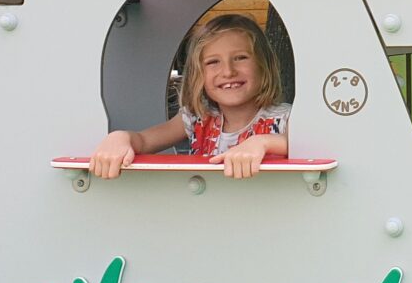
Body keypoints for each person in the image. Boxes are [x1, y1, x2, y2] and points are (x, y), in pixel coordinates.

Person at [89, 14, 290, 179]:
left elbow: (304, 144)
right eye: (213, 62)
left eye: (240, 58)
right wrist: (120, 138)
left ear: (264, 67)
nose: (228, 71)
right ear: (198, 75)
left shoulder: (285, 118)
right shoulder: (197, 118)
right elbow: (143, 140)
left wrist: (263, 143)